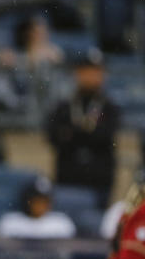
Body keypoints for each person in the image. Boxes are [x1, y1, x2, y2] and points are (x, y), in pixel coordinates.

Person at [45, 48, 121, 208]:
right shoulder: (64, 107)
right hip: (68, 179)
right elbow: (53, 137)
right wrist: (87, 133)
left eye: (95, 71)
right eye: (85, 71)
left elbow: (105, 135)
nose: (90, 76)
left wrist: (72, 133)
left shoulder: (109, 107)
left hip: (99, 182)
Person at [0, 175, 76, 240]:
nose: (40, 205)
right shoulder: (10, 222)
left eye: (44, 201)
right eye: (36, 201)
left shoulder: (62, 223)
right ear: (27, 201)